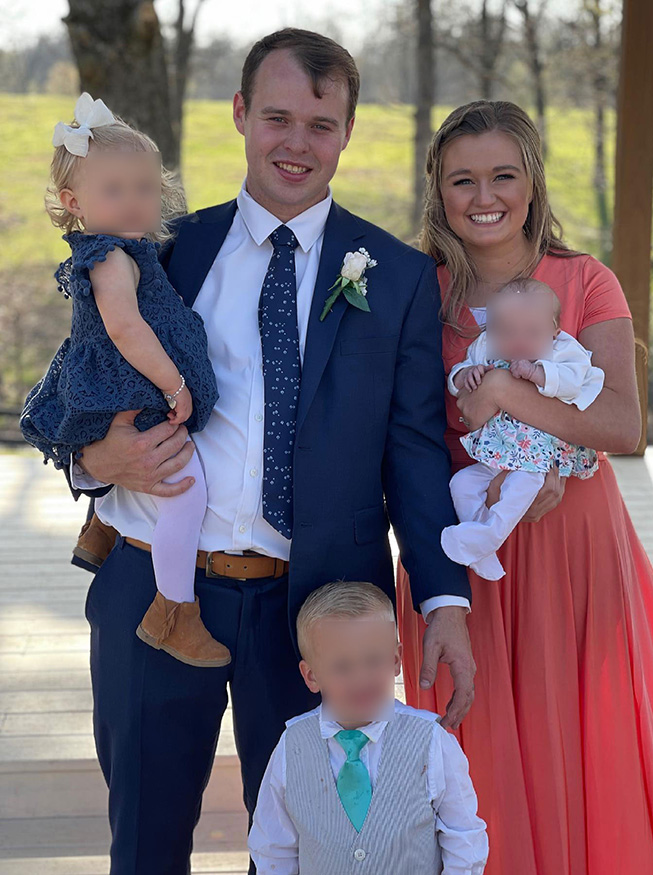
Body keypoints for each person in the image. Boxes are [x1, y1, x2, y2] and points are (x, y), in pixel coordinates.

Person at [62, 29, 475, 874]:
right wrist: (96, 461)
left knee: (308, 852)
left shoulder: (397, 276)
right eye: (278, 117)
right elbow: (75, 387)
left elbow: (414, 454)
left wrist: (443, 600)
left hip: (317, 608)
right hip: (154, 585)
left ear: (348, 131)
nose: (298, 143)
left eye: (321, 125)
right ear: (242, 113)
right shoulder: (161, 249)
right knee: (143, 844)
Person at [396, 99, 653, 874]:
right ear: (438, 189)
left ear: (532, 182)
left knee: (589, 741)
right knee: (480, 757)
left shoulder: (585, 279)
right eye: (462, 179)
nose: (484, 196)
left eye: (503, 175)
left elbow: (621, 422)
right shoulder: (414, 291)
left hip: (576, 550)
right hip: (466, 555)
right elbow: (405, 436)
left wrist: (509, 398)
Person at [20, 92, 228, 668]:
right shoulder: (111, 257)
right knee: (187, 493)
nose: (134, 202)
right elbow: (126, 329)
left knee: (156, 473)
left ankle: (101, 529)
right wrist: (175, 385)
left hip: (118, 383)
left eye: (144, 188)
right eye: (114, 191)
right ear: (74, 202)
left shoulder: (125, 249)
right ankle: (174, 611)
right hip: (133, 385)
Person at [248, 581, 489, 875]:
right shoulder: (292, 744)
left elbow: (464, 838)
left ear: (395, 660)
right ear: (311, 676)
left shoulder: (431, 741)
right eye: (342, 667)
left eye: (373, 661)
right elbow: (273, 848)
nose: (361, 679)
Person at [442, 277, 603, 579]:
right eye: (505, 331)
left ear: (554, 330)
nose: (518, 340)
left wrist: (538, 373)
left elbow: (575, 381)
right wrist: (465, 375)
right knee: (461, 484)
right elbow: (457, 376)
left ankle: (491, 534)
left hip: (539, 455)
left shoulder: (563, 349)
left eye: (532, 332)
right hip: (499, 448)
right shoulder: (486, 346)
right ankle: (482, 545)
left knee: (517, 490)